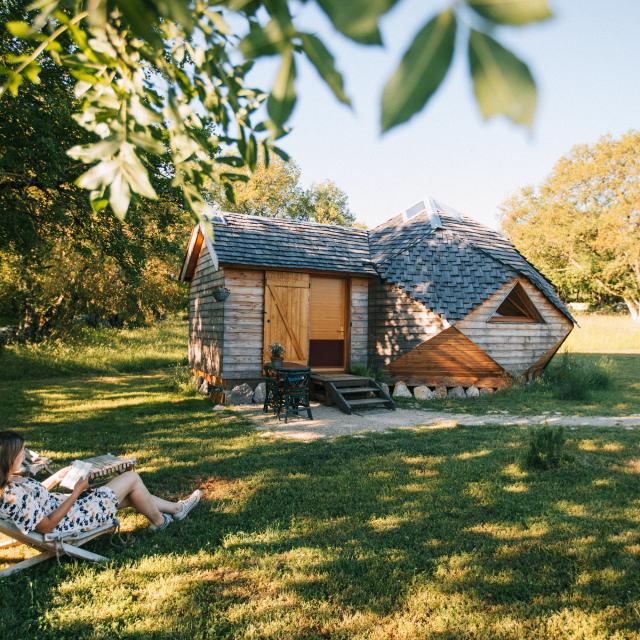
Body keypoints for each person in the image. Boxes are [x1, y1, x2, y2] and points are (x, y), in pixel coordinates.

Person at [0, 431, 201, 535]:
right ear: (8, 457)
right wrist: (76, 493)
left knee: (132, 493)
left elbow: (36, 499)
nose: (24, 455)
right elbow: (47, 526)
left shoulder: (11, 481)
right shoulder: (11, 496)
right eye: (21, 452)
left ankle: (176, 509)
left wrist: (58, 476)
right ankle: (160, 521)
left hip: (67, 508)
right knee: (131, 479)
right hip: (72, 520)